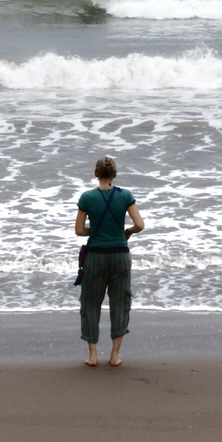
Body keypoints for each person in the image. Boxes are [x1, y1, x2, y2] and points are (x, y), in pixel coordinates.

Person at [74, 156, 144, 367]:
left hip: (95, 257)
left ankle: (93, 356)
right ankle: (114, 355)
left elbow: (79, 231)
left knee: (90, 303)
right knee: (120, 303)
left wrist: (94, 230)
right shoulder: (125, 196)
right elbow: (139, 224)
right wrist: (127, 232)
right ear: (114, 174)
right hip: (120, 256)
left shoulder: (87, 197)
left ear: (96, 174)